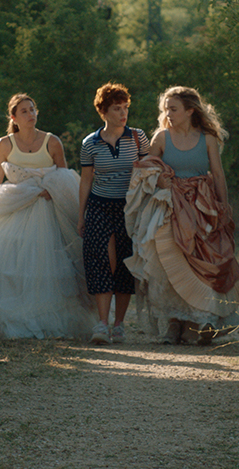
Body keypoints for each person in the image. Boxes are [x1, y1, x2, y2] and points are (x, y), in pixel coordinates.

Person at [124, 86, 239, 345]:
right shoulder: (162, 138)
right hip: (170, 206)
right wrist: (160, 181)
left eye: (173, 109)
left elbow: (218, 174)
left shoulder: (207, 138)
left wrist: (223, 206)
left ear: (190, 110)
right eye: (166, 109)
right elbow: (146, 170)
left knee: (205, 263)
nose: (168, 113)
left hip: (202, 205)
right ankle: (173, 324)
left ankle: (198, 322)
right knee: (170, 264)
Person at [0, 94, 94, 339]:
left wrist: (53, 190)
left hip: (46, 209)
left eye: (33, 109)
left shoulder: (51, 141)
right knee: (8, 259)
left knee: (45, 261)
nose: (30, 114)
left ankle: (45, 321)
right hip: (14, 206)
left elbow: (65, 177)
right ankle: (8, 318)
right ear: (14, 117)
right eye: (24, 111)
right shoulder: (5, 143)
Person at [78, 82, 150, 345]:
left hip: (129, 207)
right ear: (103, 111)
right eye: (117, 108)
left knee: (124, 261)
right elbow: (86, 180)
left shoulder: (137, 137)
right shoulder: (90, 142)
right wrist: (81, 215)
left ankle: (119, 325)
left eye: (125, 108)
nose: (123, 113)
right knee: (98, 259)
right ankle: (101, 323)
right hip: (99, 204)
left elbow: (148, 169)